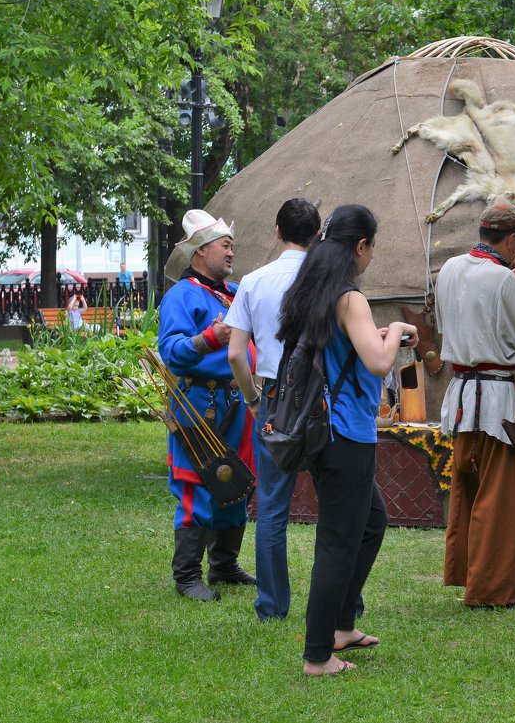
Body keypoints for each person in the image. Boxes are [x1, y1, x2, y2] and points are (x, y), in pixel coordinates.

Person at [277, 204, 417, 676]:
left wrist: (376, 338)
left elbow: (348, 351)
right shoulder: (349, 297)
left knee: (372, 521)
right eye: (371, 247)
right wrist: (396, 330)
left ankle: (341, 627)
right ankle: (318, 655)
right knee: (337, 543)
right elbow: (380, 363)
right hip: (346, 436)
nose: (371, 255)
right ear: (360, 246)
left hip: (321, 434)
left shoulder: (311, 292)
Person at [435, 203, 515, 609]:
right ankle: (497, 588)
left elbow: (448, 326)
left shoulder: (448, 269)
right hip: (500, 400)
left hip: (464, 394)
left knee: (470, 488)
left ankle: (472, 576)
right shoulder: (504, 280)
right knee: (503, 497)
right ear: (513, 238)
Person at [225, 197, 321, 622]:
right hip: (322, 397)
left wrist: (250, 398)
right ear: (316, 235)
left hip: (273, 397)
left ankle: (272, 607)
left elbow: (234, 355)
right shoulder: (327, 280)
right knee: (339, 503)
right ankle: (342, 602)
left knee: (271, 508)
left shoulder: (253, 280)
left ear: (277, 232)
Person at [159, 210, 256, 602]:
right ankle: (186, 576)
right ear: (201, 252)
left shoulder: (233, 294)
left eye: (232, 245)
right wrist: (211, 338)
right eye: (225, 245)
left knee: (235, 481)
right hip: (198, 404)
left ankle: (224, 565)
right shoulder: (181, 296)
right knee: (195, 483)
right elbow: (172, 352)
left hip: (238, 401)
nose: (231, 252)